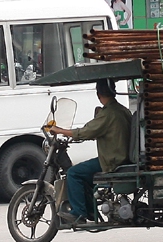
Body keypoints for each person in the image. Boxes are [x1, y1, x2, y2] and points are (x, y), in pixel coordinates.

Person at [49, 79, 132, 224]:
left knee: (73, 173)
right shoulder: (122, 110)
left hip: (112, 162)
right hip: (122, 158)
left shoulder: (108, 114)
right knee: (84, 174)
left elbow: (86, 131)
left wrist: (60, 130)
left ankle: (79, 214)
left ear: (98, 94)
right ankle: (91, 211)